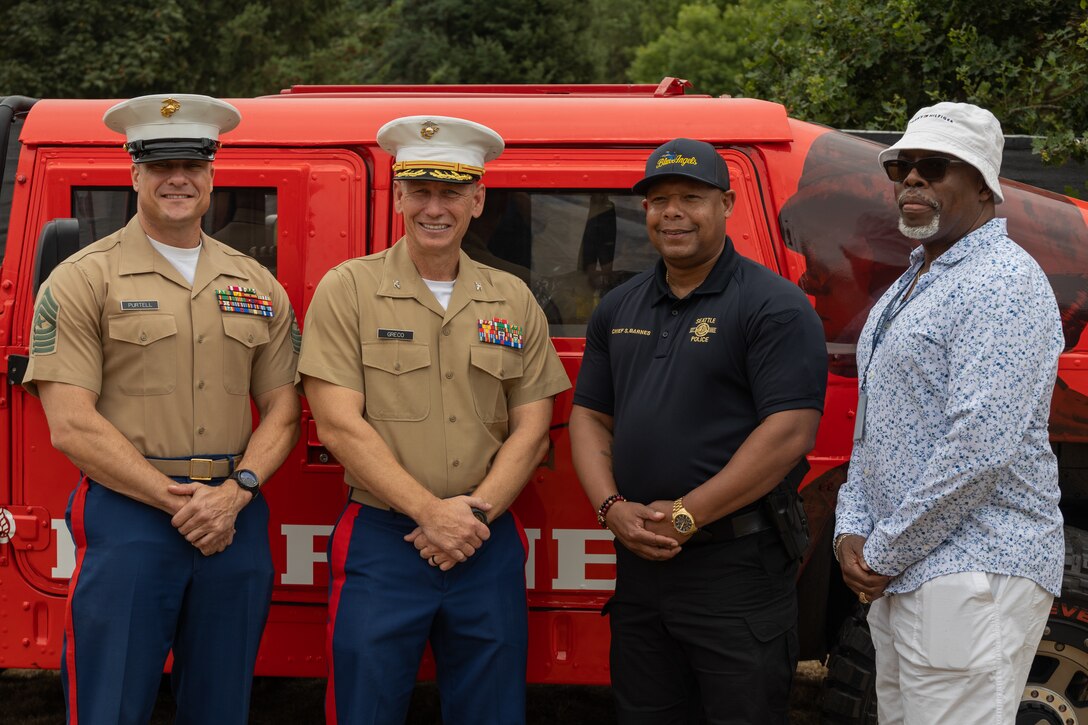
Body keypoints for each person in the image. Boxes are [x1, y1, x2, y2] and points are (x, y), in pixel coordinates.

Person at [22, 93, 301, 724]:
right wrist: (176, 498)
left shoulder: (257, 284)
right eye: (159, 164)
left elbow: (283, 409)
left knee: (223, 702)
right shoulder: (83, 278)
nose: (177, 178)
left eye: (192, 164)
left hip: (235, 514)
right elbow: (70, 422)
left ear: (212, 174)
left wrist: (235, 493)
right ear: (134, 173)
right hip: (132, 517)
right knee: (110, 700)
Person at [298, 115, 570, 724]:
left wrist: (469, 518)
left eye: (451, 192)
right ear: (396, 195)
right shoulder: (348, 289)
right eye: (419, 190)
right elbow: (339, 425)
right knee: (364, 708)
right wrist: (431, 514)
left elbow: (533, 425)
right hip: (384, 539)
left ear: (478, 199)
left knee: (492, 710)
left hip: (485, 538)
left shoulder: (513, 297)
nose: (434, 208)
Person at [569, 138, 827, 723]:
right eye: (659, 200)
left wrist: (689, 514)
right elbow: (589, 415)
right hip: (641, 569)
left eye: (692, 196)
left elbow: (790, 432)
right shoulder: (619, 306)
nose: (673, 212)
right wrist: (610, 507)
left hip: (736, 570)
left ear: (727, 204)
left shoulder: (774, 306)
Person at [833, 102, 1064, 724]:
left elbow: (979, 446)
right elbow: (876, 426)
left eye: (934, 166)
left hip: (975, 565)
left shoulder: (1002, 282)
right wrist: (851, 527)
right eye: (901, 167)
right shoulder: (916, 279)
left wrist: (882, 549)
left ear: (985, 186)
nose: (912, 180)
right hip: (910, 566)